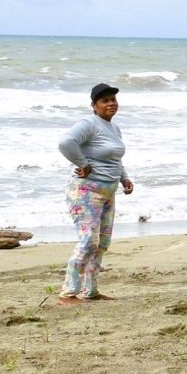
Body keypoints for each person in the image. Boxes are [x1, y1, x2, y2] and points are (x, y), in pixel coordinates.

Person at [55, 82, 134, 304]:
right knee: (89, 241)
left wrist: (124, 177)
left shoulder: (114, 128)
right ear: (94, 105)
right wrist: (82, 163)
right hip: (86, 191)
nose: (111, 104)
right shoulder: (89, 123)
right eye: (105, 101)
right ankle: (68, 293)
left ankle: (90, 291)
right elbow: (65, 143)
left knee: (102, 243)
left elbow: (115, 158)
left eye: (113, 100)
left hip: (109, 191)